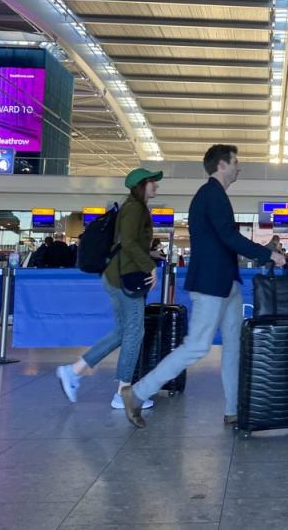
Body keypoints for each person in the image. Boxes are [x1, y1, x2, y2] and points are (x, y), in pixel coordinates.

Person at [119, 145, 284, 428]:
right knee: (196, 346)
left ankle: (234, 410)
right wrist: (268, 254)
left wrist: (264, 249)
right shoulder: (211, 195)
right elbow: (229, 237)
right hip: (211, 284)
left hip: (226, 282)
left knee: (234, 347)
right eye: (235, 162)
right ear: (221, 165)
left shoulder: (213, 196)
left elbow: (223, 240)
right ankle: (135, 393)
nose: (238, 167)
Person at [56, 168, 164, 414]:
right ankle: (123, 394)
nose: (156, 186)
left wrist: (150, 254)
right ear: (141, 185)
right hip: (124, 279)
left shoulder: (133, 207)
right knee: (135, 332)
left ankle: (73, 372)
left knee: (123, 332)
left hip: (116, 276)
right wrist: (150, 266)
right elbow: (127, 243)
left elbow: (129, 243)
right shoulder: (135, 208)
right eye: (152, 183)